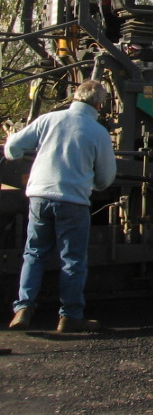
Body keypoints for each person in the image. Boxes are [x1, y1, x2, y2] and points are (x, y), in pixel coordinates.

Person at [5, 80, 117, 333]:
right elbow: (106, 178)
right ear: (100, 104)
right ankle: (70, 316)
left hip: (39, 197)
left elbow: (12, 147)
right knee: (72, 260)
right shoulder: (99, 132)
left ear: (74, 96)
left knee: (34, 254)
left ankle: (23, 309)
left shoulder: (48, 120)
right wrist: (94, 184)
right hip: (73, 201)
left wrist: (19, 156)